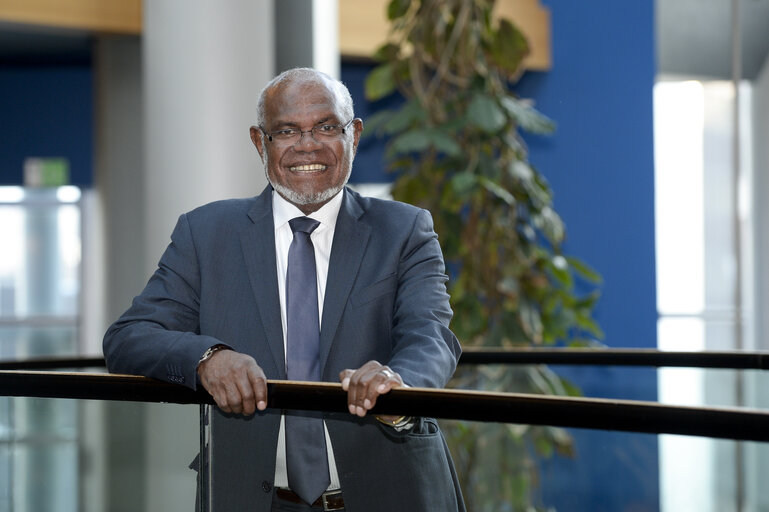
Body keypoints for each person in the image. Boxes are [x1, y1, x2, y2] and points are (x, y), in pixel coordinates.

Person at [103, 67, 465, 512]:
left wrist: (399, 382)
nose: (307, 145)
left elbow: (430, 336)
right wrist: (207, 359)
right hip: (250, 500)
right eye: (286, 131)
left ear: (353, 133)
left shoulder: (404, 229)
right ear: (260, 142)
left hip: (391, 491)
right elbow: (129, 336)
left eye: (326, 127)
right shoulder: (206, 232)